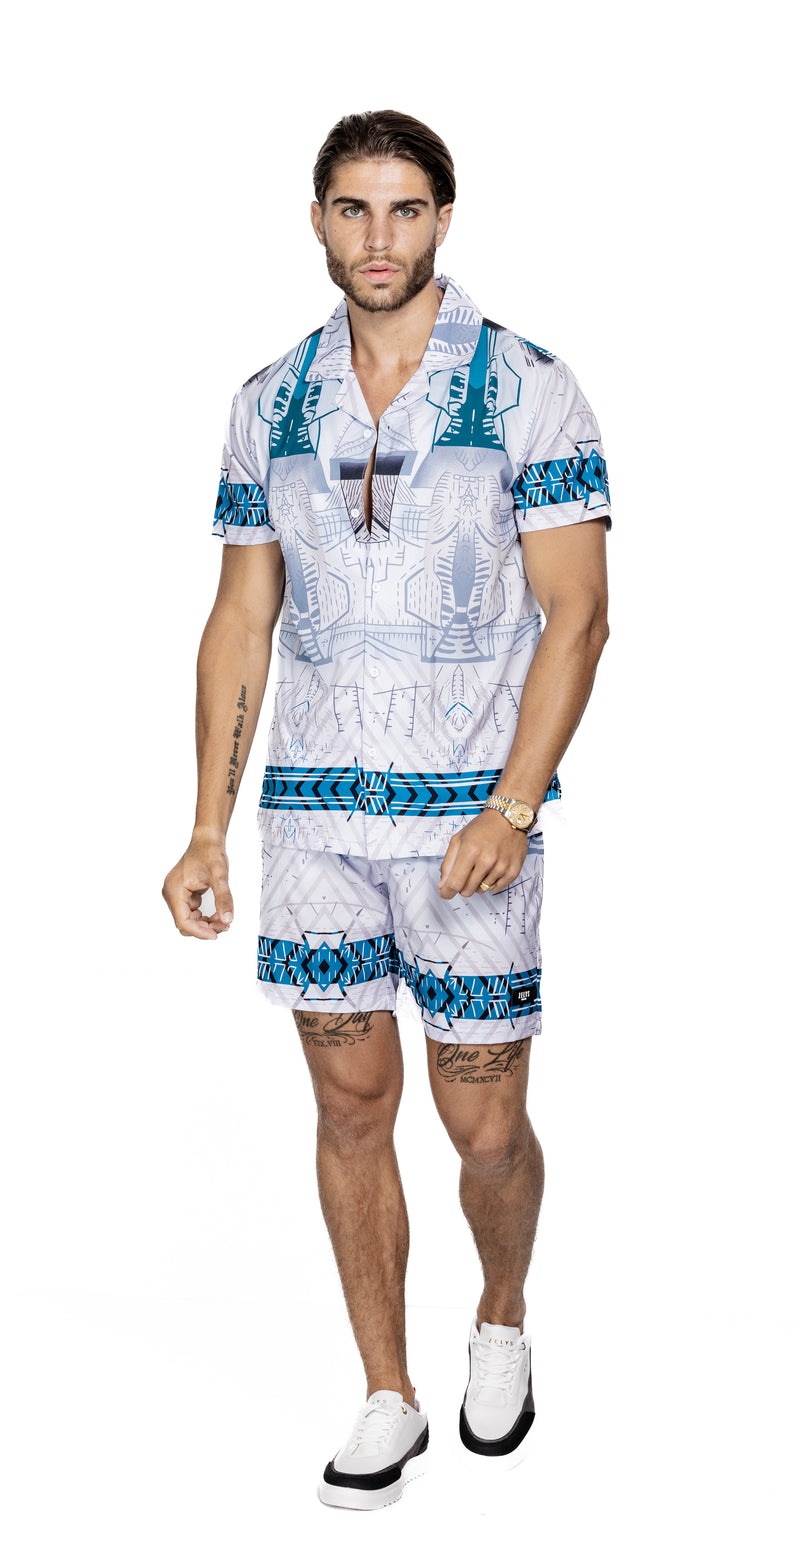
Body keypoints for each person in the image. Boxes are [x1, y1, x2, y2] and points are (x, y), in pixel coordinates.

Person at [162, 108, 611, 1511]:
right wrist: (206, 825)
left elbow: (580, 614)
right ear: (317, 220)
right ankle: (386, 1391)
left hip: (471, 823)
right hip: (313, 827)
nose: (378, 236)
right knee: (351, 1106)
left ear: (443, 220)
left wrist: (513, 807)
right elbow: (242, 617)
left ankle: (501, 1316)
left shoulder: (528, 386)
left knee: (485, 1129)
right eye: (353, 209)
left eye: (405, 209)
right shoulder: (269, 402)